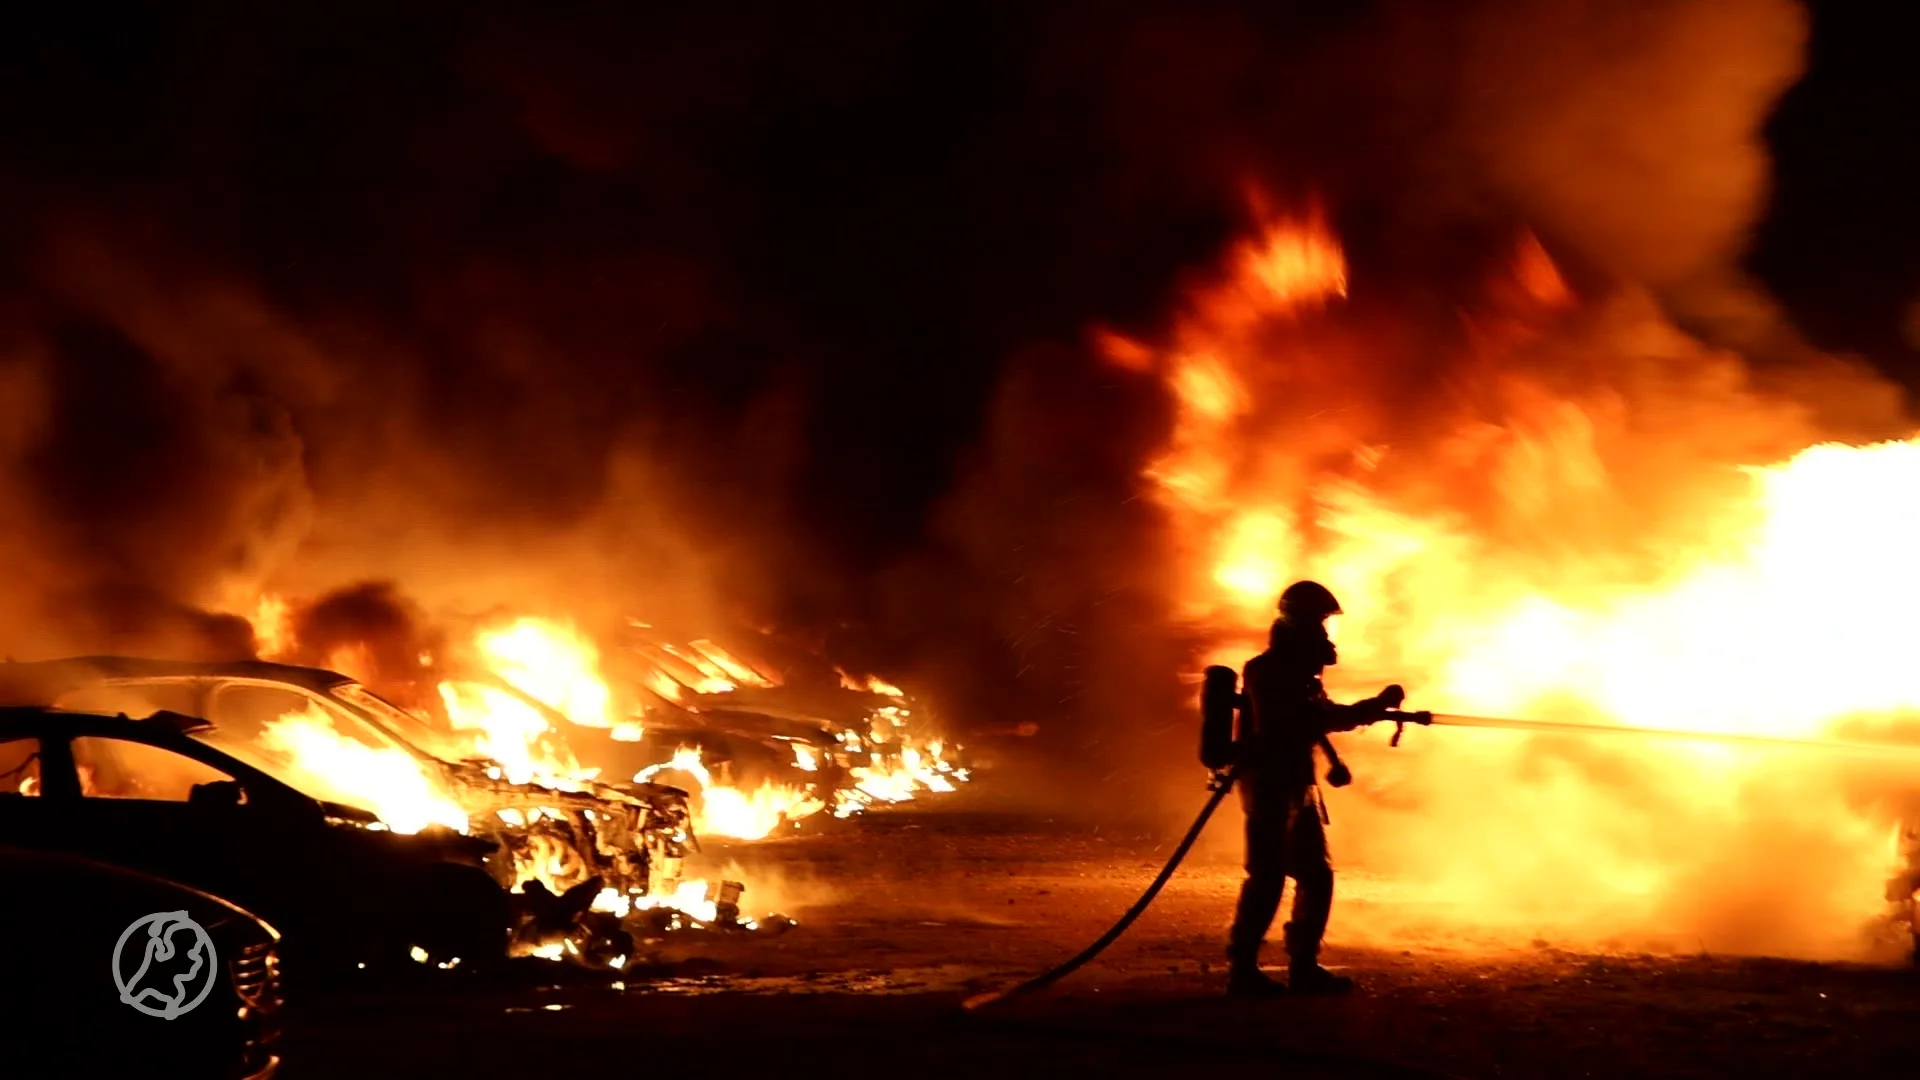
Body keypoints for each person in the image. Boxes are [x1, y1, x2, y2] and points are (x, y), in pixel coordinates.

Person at [1226, 579, 1408, 997]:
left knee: (1316, 874)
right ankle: (1242, 970)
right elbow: (1292, 723)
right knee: (1267, 876)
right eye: (1321, 621)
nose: (1326, 632)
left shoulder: (1301, 673)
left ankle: (1303, 966)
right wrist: (1369, 710)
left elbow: (1324, 714)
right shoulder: (1266, 670)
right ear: (1302, 621)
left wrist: (1372, 707)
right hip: (1269, 784)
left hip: (1298, 784)